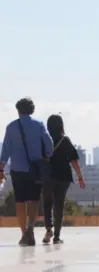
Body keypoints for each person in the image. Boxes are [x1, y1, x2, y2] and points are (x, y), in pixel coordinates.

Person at [0, 97, 54, 246]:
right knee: (34, 200)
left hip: (17, 169)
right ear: (32, 110)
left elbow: (5, 150)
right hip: (35, 169)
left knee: (20, 201)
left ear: (18, 110)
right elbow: (49, 145)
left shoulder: (11, 127)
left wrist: (1, 168)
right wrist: (47, 155)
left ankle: (24, 233)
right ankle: (31, 228)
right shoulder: (39, 125)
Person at [42, 114, 86, 244]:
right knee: (59, 205)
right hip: (63, 177)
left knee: (47, 204)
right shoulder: (65, 140)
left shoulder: (44, 139)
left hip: (47, 176)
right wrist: (80, 177)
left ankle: (48, 229)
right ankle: (57, 236)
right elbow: (74, 160)